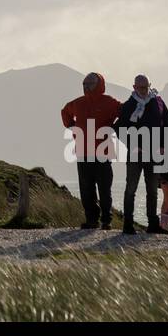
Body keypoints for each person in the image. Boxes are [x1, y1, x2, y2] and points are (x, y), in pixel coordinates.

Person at [61, 71, 122, 230]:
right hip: (83, 152)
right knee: (86, 189)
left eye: (89, 84)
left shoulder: (109, 102)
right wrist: (71, 125)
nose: (86, 87)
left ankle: (106, 221)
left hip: (103, 152)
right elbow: (65, 112)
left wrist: (115, 127)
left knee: (104, 189)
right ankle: (91, 220)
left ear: (99, 85)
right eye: (84, 84)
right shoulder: (78, 103)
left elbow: (124, 112)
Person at [113, 74, 168, 235]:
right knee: (131, 189)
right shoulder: (129, 105)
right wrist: (132, 145)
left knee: (152, 190)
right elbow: (118, 128)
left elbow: (167, 124)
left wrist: (162, 145)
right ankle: (128, 225)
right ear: (134, 88)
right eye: (141, 87)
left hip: (154, 154)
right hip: (135, 155)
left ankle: (153, 224)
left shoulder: (158, 102)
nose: (144, 90)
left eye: (146, 87)